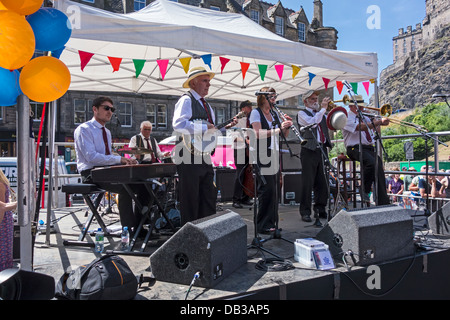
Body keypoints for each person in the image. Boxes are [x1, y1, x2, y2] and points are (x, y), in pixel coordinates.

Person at [172, 67, 237, 226]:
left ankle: (206, 229)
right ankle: (190, 235)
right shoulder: (186, 100)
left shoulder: (207, 105)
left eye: (209, 81)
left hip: (203, 154)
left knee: (208, 194)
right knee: (191, 197)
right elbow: (178, 124)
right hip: (187, 154)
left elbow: (210, 131)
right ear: (193, 82)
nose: (208, 84)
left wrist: (225, 128)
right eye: (204, 80)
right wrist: (204, 128)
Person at [74, 96, 146, 236]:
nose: (110, 112)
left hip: (105, 171)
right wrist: (119, 160)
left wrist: (126, 160)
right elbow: (92, 157)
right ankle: (129, 229)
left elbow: (106, 155)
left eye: (112, 109)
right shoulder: (84, 129)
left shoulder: (106, 131)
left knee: (143, 184)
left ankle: (140, 225)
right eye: (106, 108)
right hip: (90, 173)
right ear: (95, 109)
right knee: (126, 187)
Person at [249, 87, 292, 234]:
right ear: (263, 98)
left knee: (274, 189)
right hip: (261, 153)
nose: (274, 99)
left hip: (273, 153)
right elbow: (258, 133)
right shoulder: (256, 112)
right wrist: (279, 129)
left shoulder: (274, 114)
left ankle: (271, 222)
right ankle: (262, 224)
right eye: (271, 97)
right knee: (266, 189)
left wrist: (286, 126)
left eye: (275, 96)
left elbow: (283, 135)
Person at [341, 95, 390, 205]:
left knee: (379, 166)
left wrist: (377, 121)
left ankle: (383, 201)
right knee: (371, 163)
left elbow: (375, 131)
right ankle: (364, 189)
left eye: (362, 106)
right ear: (352, 106)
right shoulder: (346, 117)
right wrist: (377, 122)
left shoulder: (365, 116)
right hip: (354, 147)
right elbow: (360, 127)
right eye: (360, 106)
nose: (362, 108)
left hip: (368, 147)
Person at [296, 90, 332, 222]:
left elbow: (332, 124)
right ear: (305, 101)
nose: (315, 101)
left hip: (321, 149)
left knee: (322, 182)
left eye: (316, 98)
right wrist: (323, 109)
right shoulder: (302, 113)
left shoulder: (321, 114)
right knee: (308, 182)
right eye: (312, 99)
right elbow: (313, 122)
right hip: (309, 150)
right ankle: (305, 211)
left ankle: (320, 209)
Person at [230, 100, 253, 208]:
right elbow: (233, 137)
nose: (251, 110)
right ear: (243, 108)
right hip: (240, 149)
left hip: (249, 149)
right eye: (249, 107)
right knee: (240, 174)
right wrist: (246, 139)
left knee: (248, 174)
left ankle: (246, 197)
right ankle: (236, 199)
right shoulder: (237, 119)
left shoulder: (250, 120)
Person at [0, 170, 16, 272]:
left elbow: (2, 207)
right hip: (5, 221)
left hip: (3, 223)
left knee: (3, 254)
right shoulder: (2, 183)